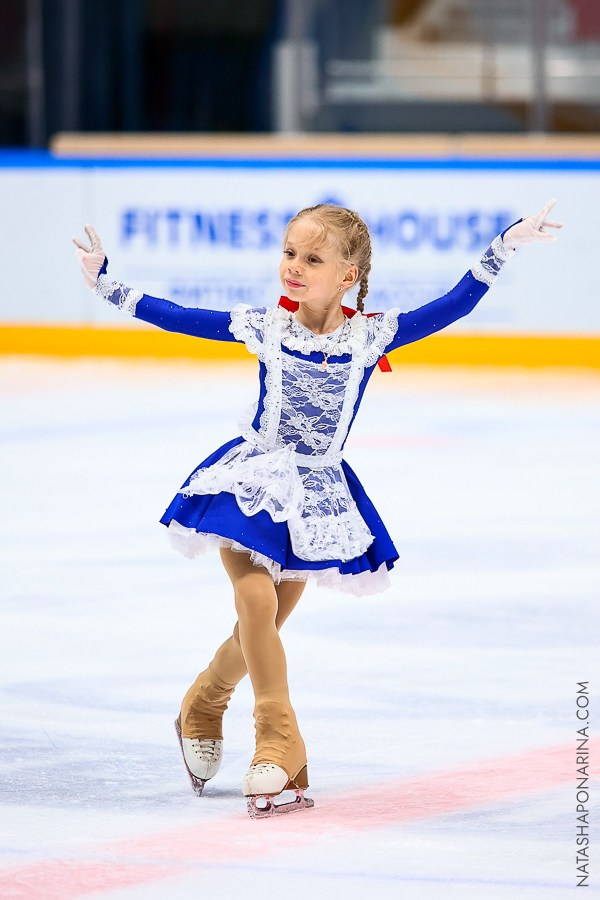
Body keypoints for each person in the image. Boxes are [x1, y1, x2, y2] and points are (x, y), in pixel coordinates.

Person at [73, 199, 561, 818]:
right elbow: (180, 317)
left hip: (318, 497)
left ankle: (204, 700)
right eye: (288, 253)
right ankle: (279, 740)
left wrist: (505, 246)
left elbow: (453, 305)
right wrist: (106, 282)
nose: (294, 266)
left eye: (312, 257)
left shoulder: (371, 336)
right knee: (253, 598)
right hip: (256, 478)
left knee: (266, 622)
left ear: (349, 273)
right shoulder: (265, 327)